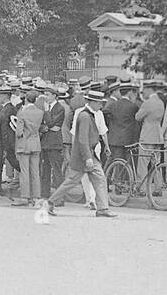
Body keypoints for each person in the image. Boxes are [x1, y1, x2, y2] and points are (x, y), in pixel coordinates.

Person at [45, 86, 116, 218]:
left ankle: (103, 208)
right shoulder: (84, 116)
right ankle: (50, 202)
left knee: (98, 179)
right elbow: (82, 139)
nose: (101, 105)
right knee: (72, 181)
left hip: (88, 154)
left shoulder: (88, 114)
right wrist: (88, 158)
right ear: (93, 103)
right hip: (85, 155)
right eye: (100, 103)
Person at [13, 89, 43, 207]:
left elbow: (19, 132)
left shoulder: (22, 113)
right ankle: (36, 197)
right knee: (35, 172)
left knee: (24, 172)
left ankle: (25, 197)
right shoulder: (40, 112)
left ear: (26, 99)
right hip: (35, 143)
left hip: (24, 144)